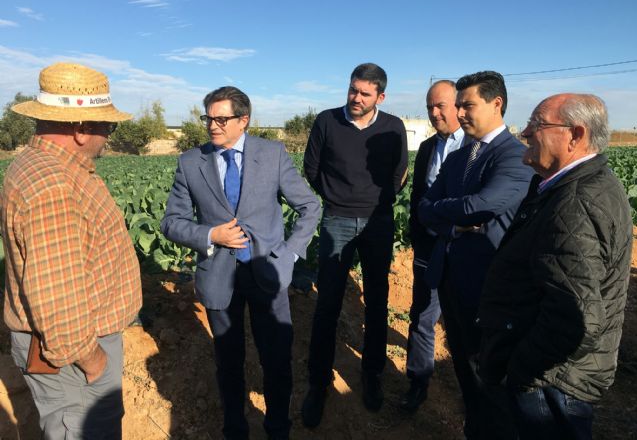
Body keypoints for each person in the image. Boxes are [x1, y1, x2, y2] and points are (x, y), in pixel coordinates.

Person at [161, 86, 320, 440]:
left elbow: (310, 207)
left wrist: (289, 255)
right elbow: (171, 222)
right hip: (219, 276)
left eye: (221, 119)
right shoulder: (190, 162)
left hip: (268, 273)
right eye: (208, 118)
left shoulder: (273, 154)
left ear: (243, 120)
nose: (212, 126)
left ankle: (278, 428)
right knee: (229, 364)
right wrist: (210, 235)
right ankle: (235, 429)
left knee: (276, 360)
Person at [477, 94, 632, 440]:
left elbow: (576, 319)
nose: (526, 132)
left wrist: (519, 368)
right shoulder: (570, 188)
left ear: (575, 135)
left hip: (551, 386)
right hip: (554, 379)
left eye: (537, 124)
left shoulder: (575, 202)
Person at [0, 62, 142, 439]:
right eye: (106, 127)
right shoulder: (53, 186)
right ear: (80, 129)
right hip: (75, 359)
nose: (108, 137)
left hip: (74, 351)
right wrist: (92, 361)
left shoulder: (47, 167)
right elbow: (57, 296)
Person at [418, 71, 533, 439]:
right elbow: (423, 207)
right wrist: (453, 224)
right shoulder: (460, 157)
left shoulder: (515, 157)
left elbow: (481, 206)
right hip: (451, 278)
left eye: (468, 105)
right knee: (466, 369)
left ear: (496, 103)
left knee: (493, 376)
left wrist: (448, 211)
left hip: (492, 285)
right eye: (460, 106)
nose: (460, 113)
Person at [302, 63, 408, 427]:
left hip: (378, 222)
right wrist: (338, 199)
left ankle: (372, 375)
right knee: (327, 302)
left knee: (377, 301)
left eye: (365, 93)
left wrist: (375, 203)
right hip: (338, 220)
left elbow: (399, 173)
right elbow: (312, 168)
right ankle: (318, 383)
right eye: (352, 90)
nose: (356, 98)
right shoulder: (327, 121)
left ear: (381, 96)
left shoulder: (393, 127)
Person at [400, 80, 467, 412]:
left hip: (467, 250)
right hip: (429, 246)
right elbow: (416, 199)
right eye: (430, 107)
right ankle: (418, 381)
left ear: (459, 106)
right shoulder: (427, 147)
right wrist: (418, 233)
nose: (434, 113)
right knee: (423, 315)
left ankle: (475, 386)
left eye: (440, 106)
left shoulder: (478, 145)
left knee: (468, 320)